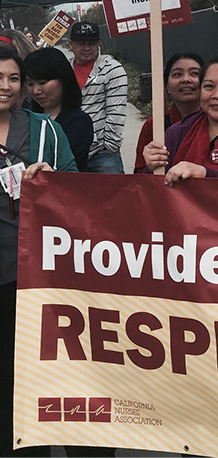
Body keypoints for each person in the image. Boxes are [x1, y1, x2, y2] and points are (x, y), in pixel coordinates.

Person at [0, 47, 77, 458]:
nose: (5, 87)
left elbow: (80, 193)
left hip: (32, 275)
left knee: (31, 375)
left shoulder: (46, 131)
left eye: (13, 78)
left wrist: (55, 181)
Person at [143, 56, 218, 185]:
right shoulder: (178, 131)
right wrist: (152, 166)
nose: (217, 95)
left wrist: (206, 175)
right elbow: (153, 189)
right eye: (209, 86)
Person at [68, 21, 127, 174]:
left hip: (102, 153)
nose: (87, 48)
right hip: (70, 150)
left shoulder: (112, 69)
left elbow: (116, 111)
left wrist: (110, 147)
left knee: (114, 196)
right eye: (81, 43)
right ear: (70, 44)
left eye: (92, 43)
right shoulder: (64, 70)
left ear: (99, 44)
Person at [24, 47, 92, 172]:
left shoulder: (79, 123)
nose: (36, 91)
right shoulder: (25, 117)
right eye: (30, 84)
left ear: (63, 79)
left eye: (43, 82)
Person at [134, 52, 203, 174]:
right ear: (166, 86)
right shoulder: (153, 126)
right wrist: (150, 167)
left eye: (195, 74)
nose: (186, 79)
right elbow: (139, 178)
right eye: (177, 74)